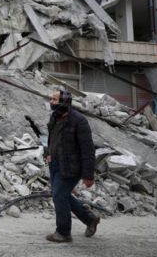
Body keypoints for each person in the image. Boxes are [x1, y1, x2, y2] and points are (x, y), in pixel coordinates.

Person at [45, 89, 100, 243]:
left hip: (71, 167)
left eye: (54, 100)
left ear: (63, 102)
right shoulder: (55, 117)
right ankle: (90, 219)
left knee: (59, 195)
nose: (51, 102)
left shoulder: (79, 121)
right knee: (63, 195)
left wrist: (88, 175)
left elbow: (88, 149)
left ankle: (63, 232)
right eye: (51, 99)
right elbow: (52, 138)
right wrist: (48, 153)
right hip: (55, 164)